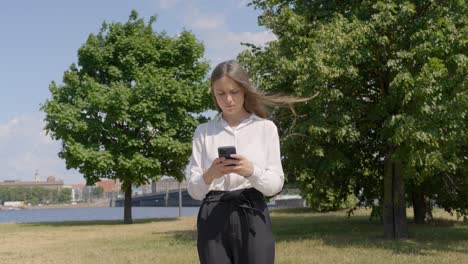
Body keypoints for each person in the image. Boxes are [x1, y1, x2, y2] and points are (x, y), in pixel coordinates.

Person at [187, 60, 310, 264]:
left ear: (244, 90)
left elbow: (274, 186)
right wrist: (210, 175)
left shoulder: (265, 128)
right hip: (213, 214)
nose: (228, 99)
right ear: (213, 94)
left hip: (252, 211)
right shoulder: (203, 132)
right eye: (220, 94)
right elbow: (194, 191)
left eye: (234, 92)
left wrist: (251, 171)